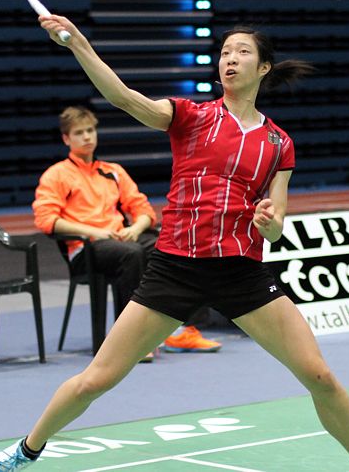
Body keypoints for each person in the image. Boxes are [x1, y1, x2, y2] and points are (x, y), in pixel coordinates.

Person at [0, 18, 349, 472]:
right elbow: (122, 97)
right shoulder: (192, 116)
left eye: (242, 52)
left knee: (320, 375)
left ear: (264, 67)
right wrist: (80, 45)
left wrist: (268, 221)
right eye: (225, 52)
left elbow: (277, 227)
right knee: (98, 379)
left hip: (242, 273)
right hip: (175, 267)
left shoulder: (279, 144)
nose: (230, 58)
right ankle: (22, 453)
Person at [33, 105, 221, 358]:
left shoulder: (113, 171)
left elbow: (142, 208)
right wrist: (93, 232)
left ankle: (185, 329)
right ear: (66, 138)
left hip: (122, 239)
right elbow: (47, 220)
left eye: (90, 130)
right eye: (79, 133)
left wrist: (136, 227)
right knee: (131, 254)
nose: (87, 137)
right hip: (85, 249)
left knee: (175, 245)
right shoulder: (56, 175)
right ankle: (131, 341)